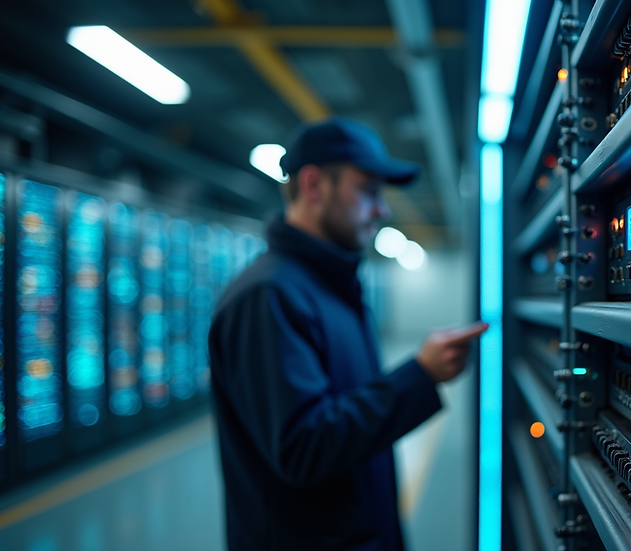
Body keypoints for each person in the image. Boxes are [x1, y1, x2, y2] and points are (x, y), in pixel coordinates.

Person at [208, 117, 487, 551]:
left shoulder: (330, 287)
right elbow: (303, 446)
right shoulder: (269, 297)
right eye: (369, 192)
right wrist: (419, 375)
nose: (383, 209)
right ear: (315, 185)